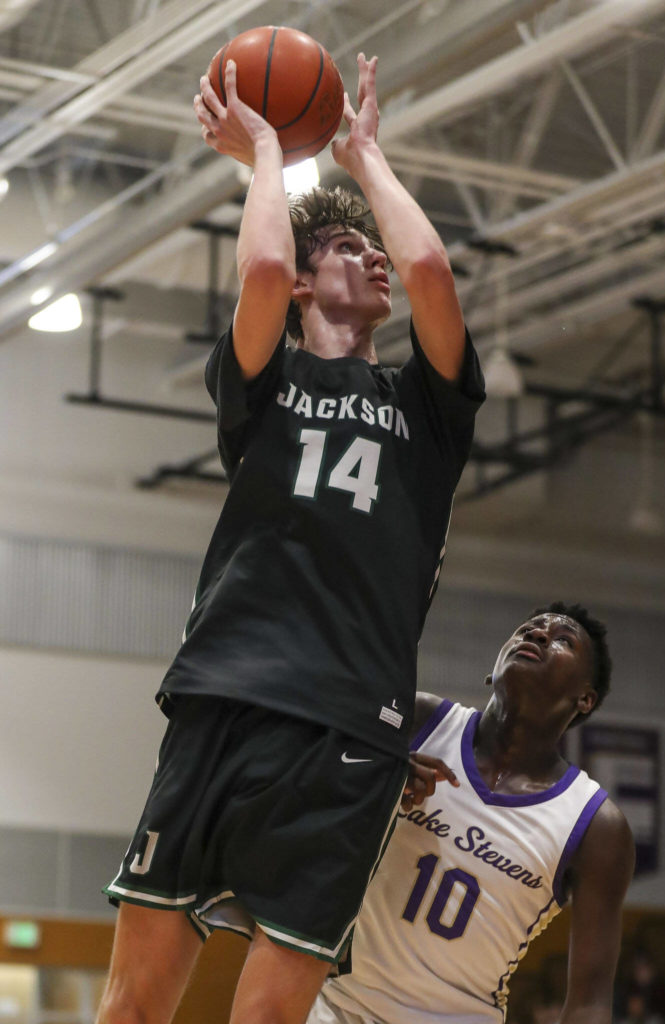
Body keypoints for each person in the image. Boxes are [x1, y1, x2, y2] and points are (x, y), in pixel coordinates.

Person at [95, 50, 484, 1024]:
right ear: (308, 291)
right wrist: (267, 148)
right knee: (131, 1005)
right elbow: (263, 262)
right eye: (349, 253)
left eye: (371, 251)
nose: (375, 261)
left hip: (352, 728)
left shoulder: (424, 412)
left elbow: (431, 266)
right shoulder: (264, 383)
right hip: (226, 692)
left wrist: (363, 158)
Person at [308, 602, 636, 1024]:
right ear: (492, 671)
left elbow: (589, 1004)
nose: (537, 635)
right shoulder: (418, 722)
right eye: (528, 629)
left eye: (562, 640)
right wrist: (374, 779)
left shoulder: (595, 825)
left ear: (585, 699)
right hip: (335, 1005)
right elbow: (308, 792)